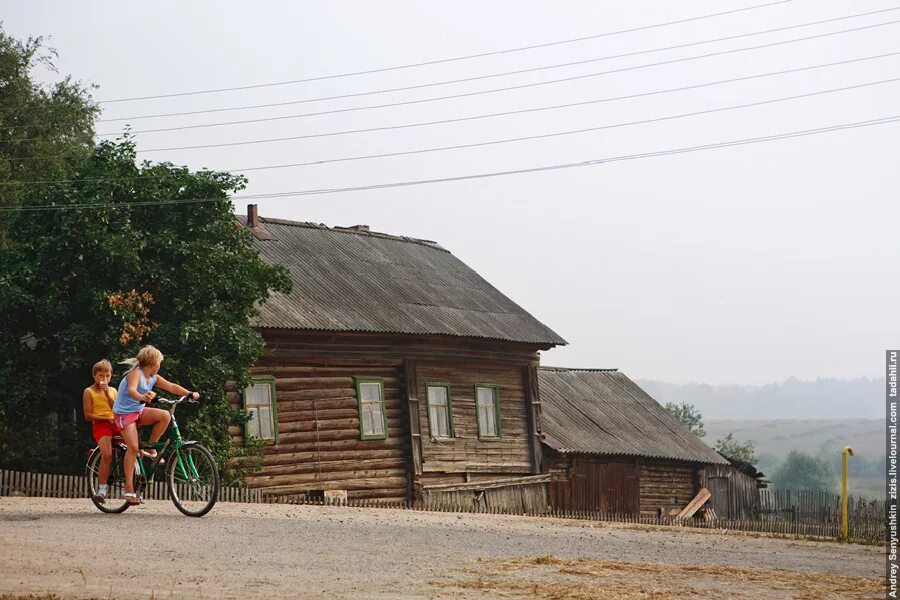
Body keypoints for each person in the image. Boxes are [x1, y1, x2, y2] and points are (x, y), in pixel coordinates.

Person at [113, 345, 198, 505]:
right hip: (124, 414)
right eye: (159, 362)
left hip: (138, 411)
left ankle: (150, 448)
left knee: (165, 416)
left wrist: (189, 394)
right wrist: (142, 396)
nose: (160, 365)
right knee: (132, 448)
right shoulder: (135, 374)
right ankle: (129, 488)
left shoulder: (153, 377)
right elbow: (131, 390)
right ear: (152, 363)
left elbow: (172, 386)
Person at [82, 359, 117, 503]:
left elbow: (117, 409)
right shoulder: (89, 391)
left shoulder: (113, 390)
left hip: (116, 422)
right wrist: (105, 419)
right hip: (101, 425)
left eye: (107, 376)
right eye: (101, 376)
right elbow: (88, 415)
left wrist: (108, 395)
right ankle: (102, 489)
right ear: (94, 376)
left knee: (134, 448)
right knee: (107, 455)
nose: (104, 379)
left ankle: (132, 486)